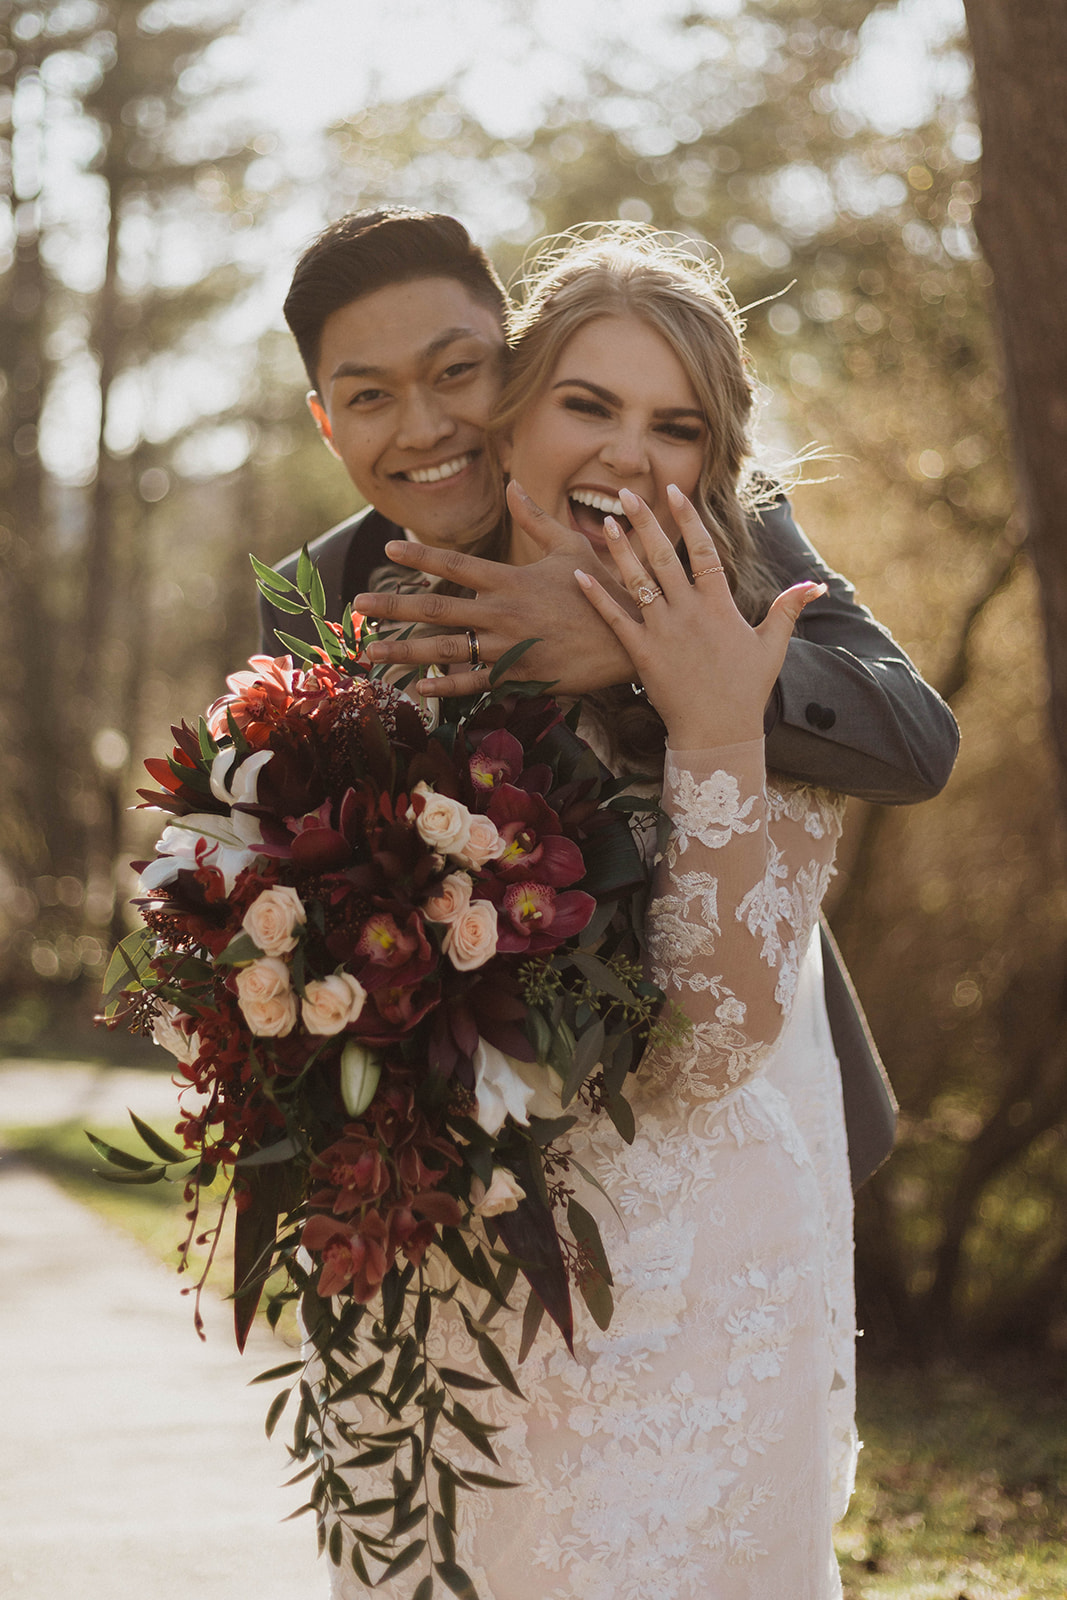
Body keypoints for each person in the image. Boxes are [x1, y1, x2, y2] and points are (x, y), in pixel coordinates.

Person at [320, 227, 861, 1599]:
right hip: (448, 1265)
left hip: (687, 1280)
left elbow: (710, 1043)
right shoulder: (380, 625)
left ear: (708, 458)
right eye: (587, 404)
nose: (625, 451)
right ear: (516, 419)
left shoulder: (743, 652)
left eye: (669, 424)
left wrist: (705, 725)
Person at [263, 208, 959, 1193]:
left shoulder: (716, 506)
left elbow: (913, 738)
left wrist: (643, 652)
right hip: (470, 1172)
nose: (424, 428)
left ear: (511, 367)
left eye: (455, 372)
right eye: (371, 396)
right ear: (328, 420)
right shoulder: (316, 595)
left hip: (720, 1144)